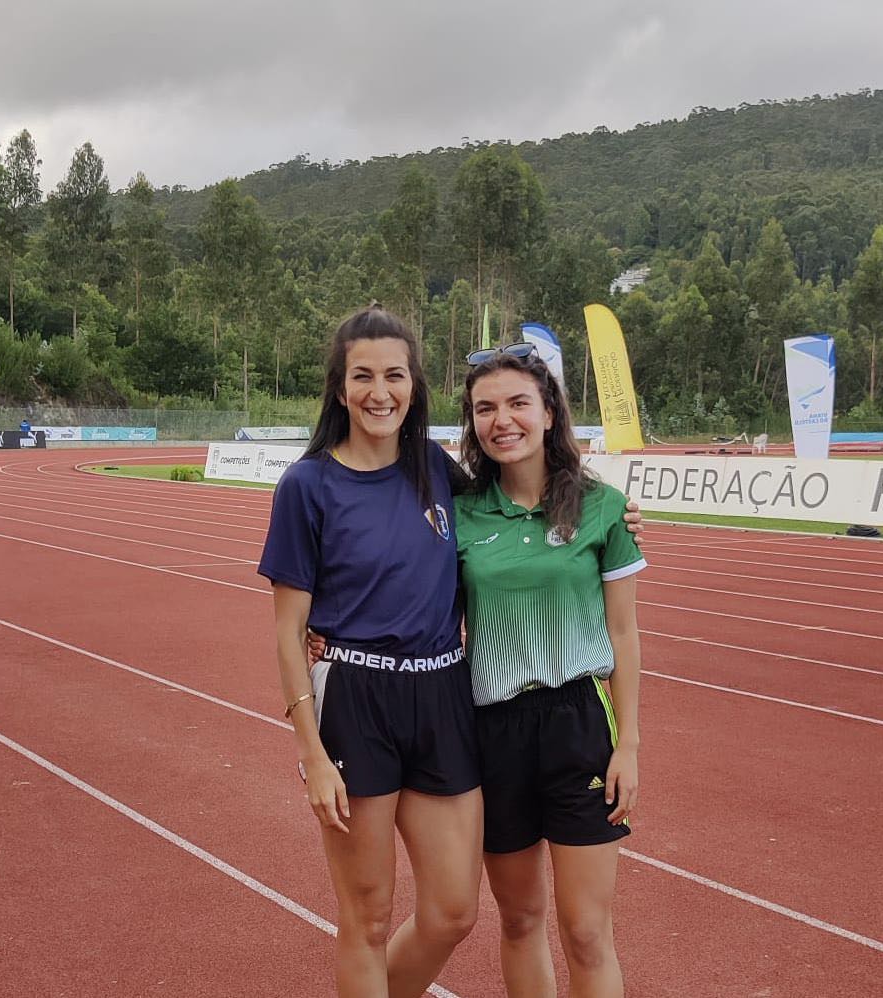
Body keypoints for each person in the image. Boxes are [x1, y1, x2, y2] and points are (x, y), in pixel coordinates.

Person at [264, 306, 644, 997]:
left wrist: (610, 506)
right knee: (369, 917)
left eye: (395, 375)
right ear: (339, 387)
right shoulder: (307, 485)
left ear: (413, 387)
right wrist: (311, 751)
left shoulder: (438, 474)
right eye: (362, 376)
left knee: (452, 911)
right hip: (361, 700)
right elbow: (289, 628)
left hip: (447, 697)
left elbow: (528, 489)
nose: (380, 391)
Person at [455, 343, 645, 998]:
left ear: (547, 411)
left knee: (588, 930)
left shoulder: (604, 508)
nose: (500, 419)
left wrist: (630, 747)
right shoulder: (460, 515)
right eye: (484, 408)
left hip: (580, 725)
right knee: (519, 918)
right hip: (494, 732)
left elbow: (624, 631)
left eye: (515, 403)